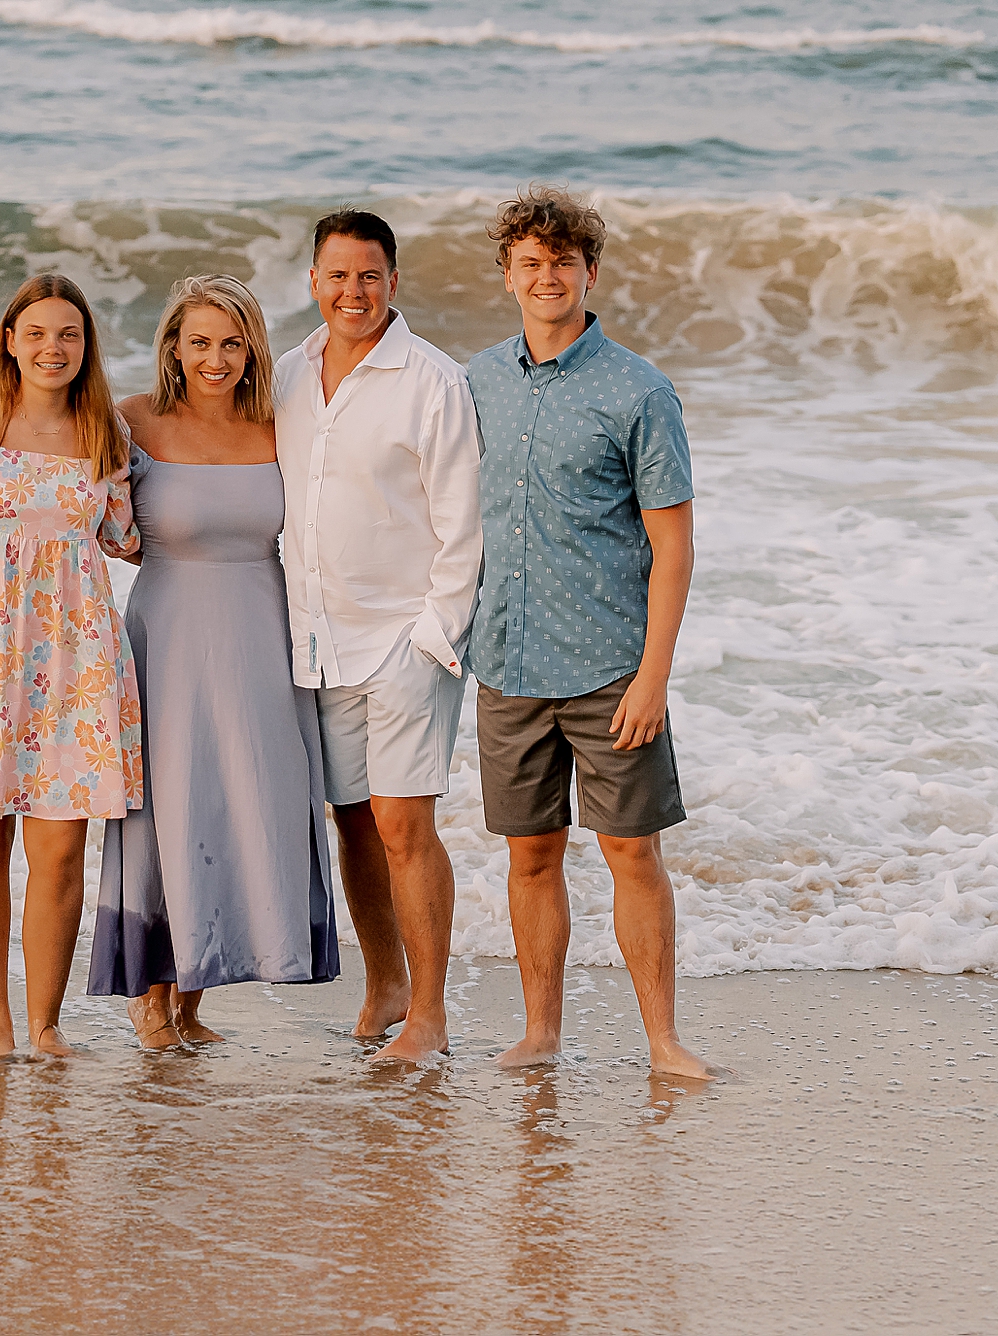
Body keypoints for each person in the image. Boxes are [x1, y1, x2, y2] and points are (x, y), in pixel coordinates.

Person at [465, 186, 713, 1078]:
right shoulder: (478, 380)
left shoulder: (639, 390)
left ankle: (662, 1042)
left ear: (589, 272)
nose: (546, 278)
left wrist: (653, 678)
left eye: (562, 263)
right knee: (530, 856)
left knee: (631, 853)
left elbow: (674, 547)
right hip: (508, 660)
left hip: (610, 663)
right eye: (528, 264)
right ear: (507, 277)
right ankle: (540, 1034)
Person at [81, 274, 341, 1048]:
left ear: (253, 348)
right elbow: (42, 466)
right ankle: (151, 996)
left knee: (247, 800)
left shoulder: (280, 425)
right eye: (199, 342)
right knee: (171, 801)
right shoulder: (131, 420)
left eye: (231, 343)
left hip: (264, 633)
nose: (215, 359)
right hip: (169, 635)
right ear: (174, 346)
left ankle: (197, 997)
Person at [273, 210, 483, 1063]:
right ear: (313, 282)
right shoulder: (288, 373)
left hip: (405, 640)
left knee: (404, 824)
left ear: (394, 283)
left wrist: (435, 634)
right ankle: (384, 983)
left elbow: (463, 518)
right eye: (336, 276)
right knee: (351, 820)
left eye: (369, 276)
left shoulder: (432, 380)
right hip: (316, 642)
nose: (352, 292)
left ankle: (429, 1015)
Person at [0, 273, 140, 1060]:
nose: (54, 348)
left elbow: (124, 537)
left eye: (70, 335)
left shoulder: (107, 431)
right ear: (9, 340)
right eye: (38, 333)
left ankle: (45, 1026)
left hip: (76, 649)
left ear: (87, 347)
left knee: (60, 844)